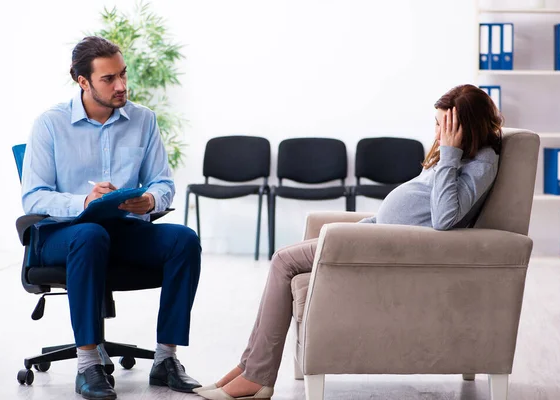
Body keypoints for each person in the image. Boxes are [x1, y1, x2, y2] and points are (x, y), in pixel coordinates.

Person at [194, 84, 503, 400]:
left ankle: (257, 378)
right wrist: (447, 154)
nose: (437, 133)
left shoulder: (482, 162)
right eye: (437, 123)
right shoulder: (463, 155)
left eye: (443, 125)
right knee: (284, 259)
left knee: (282, 261)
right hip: (376, 232)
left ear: (465, 127)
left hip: (387, 245)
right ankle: (248, 368)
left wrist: (449, 154)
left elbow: (444, 218)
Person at [21, 36, 201, 400]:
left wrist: (150, 199)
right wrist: (84, 200)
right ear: (82, 81)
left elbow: (162, 181)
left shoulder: (143, 120)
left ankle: (166, 360)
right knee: (89, 234)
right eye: (108, 79)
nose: (121, 86)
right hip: (64, 235)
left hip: (122, 231)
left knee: (184, 239)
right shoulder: (50, 125)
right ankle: (88, 365)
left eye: (123, 75)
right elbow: (33, 196)